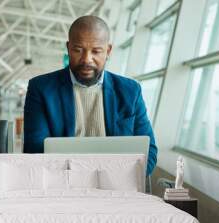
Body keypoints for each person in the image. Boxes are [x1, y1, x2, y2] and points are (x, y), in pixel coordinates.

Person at [23, 15, 157, 175]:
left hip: (117, 187)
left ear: (108, 51)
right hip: (63, 188)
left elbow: (149, 152)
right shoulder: (41, 88)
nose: (87, 59)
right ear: (68, 48)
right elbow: (35, 151)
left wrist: (118, 183)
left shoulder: (130, 91)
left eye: (96, 51)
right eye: (78, 50)